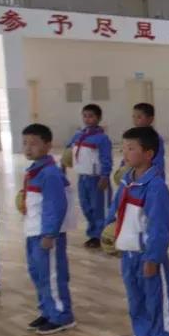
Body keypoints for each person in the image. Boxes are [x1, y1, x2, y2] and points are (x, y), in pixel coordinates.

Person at [111, 126, 169, 336]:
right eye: (123, 147)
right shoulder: (127, 181)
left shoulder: (156, 186)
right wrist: (113, 235)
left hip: (148, 257)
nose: (125, 153)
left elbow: (160, 226)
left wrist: (153, 257)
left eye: (131, 148)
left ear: (148, 153)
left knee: (157, 305)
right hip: (129, 255)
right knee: (136, 304)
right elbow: (117, 211)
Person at [19, 123, 75, 334]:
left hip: (46, 235)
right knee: (38, 274)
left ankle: (62, 315)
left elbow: (55, 205)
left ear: (48, 145)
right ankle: (47, 310)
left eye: (33, 143)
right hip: (33, 232)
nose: (28, 148)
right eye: (25, 143)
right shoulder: (35, 171)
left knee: (52, 275)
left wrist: (50, 233)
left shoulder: (50, 173)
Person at [66, 104, 112, 249]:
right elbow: (68, 151)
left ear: (98, 118)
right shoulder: (78, 135)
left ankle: (102, 235)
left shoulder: (102, 139)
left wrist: (105, 175)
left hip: (96, 179)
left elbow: (106, 158)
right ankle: (93, 234)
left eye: (91, 116)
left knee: (99, 208)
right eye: (85, 116)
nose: (87, 119)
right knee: (86, 207)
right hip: (83, 178)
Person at [116, 103, 165, 178]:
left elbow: (158, 162)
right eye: (133, 117)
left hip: (149, 178)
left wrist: (152, 176)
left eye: (139, 117)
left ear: (150, 119)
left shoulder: (156, 139)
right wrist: (122, 168)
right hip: (134, 177)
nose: (135, 120)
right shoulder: (132, 137)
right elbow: (127, 156)